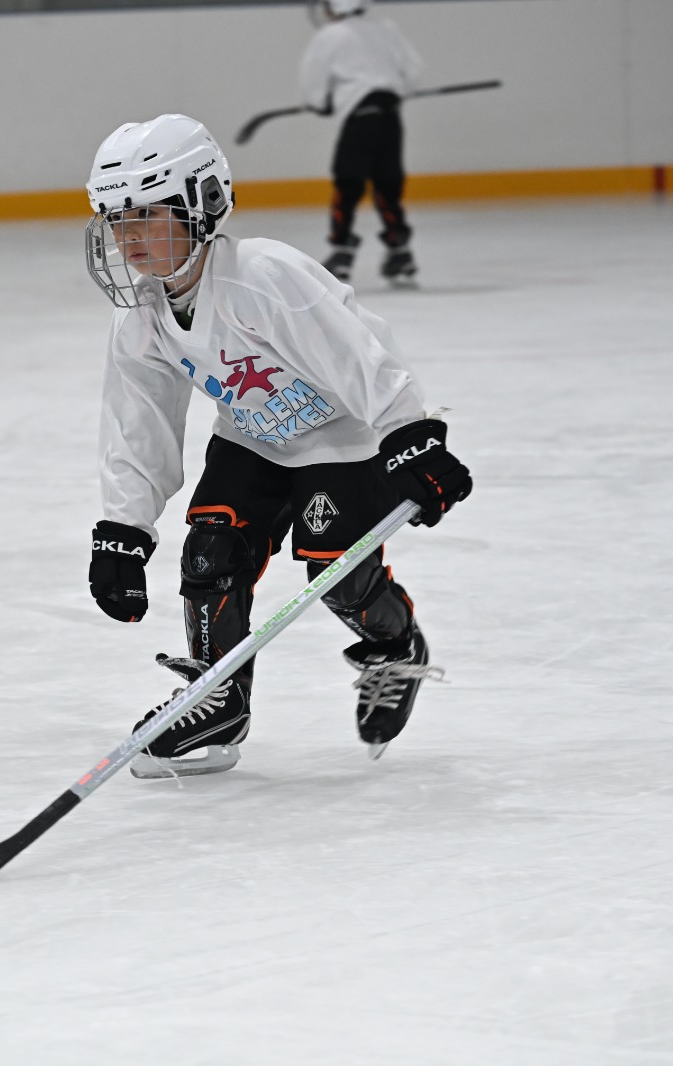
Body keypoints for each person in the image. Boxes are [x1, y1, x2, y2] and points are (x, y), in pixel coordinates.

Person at [83, 114, 472, 778]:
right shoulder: (142, 317)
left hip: (344, 440)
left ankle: (393, 643)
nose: (130, 237)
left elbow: (356, 351)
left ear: (202, 203)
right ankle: (218, 700)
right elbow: (140, 421)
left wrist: (407, 436)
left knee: (339, 573)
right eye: (118, 220)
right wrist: (124, 526)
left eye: (147, 214)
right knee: (210, 553)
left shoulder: (263, 277)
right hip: (254, 439)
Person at [298, 0, 423, 285]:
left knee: (348, 181)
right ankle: (400, 250)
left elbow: (313, 78)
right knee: (388, 182)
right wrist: (400, 89)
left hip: (360, 119)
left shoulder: (330, 36)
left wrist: (318, 102)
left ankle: (341, 250)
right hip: (390, 116)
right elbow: (414, 71)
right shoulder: (385, 30)